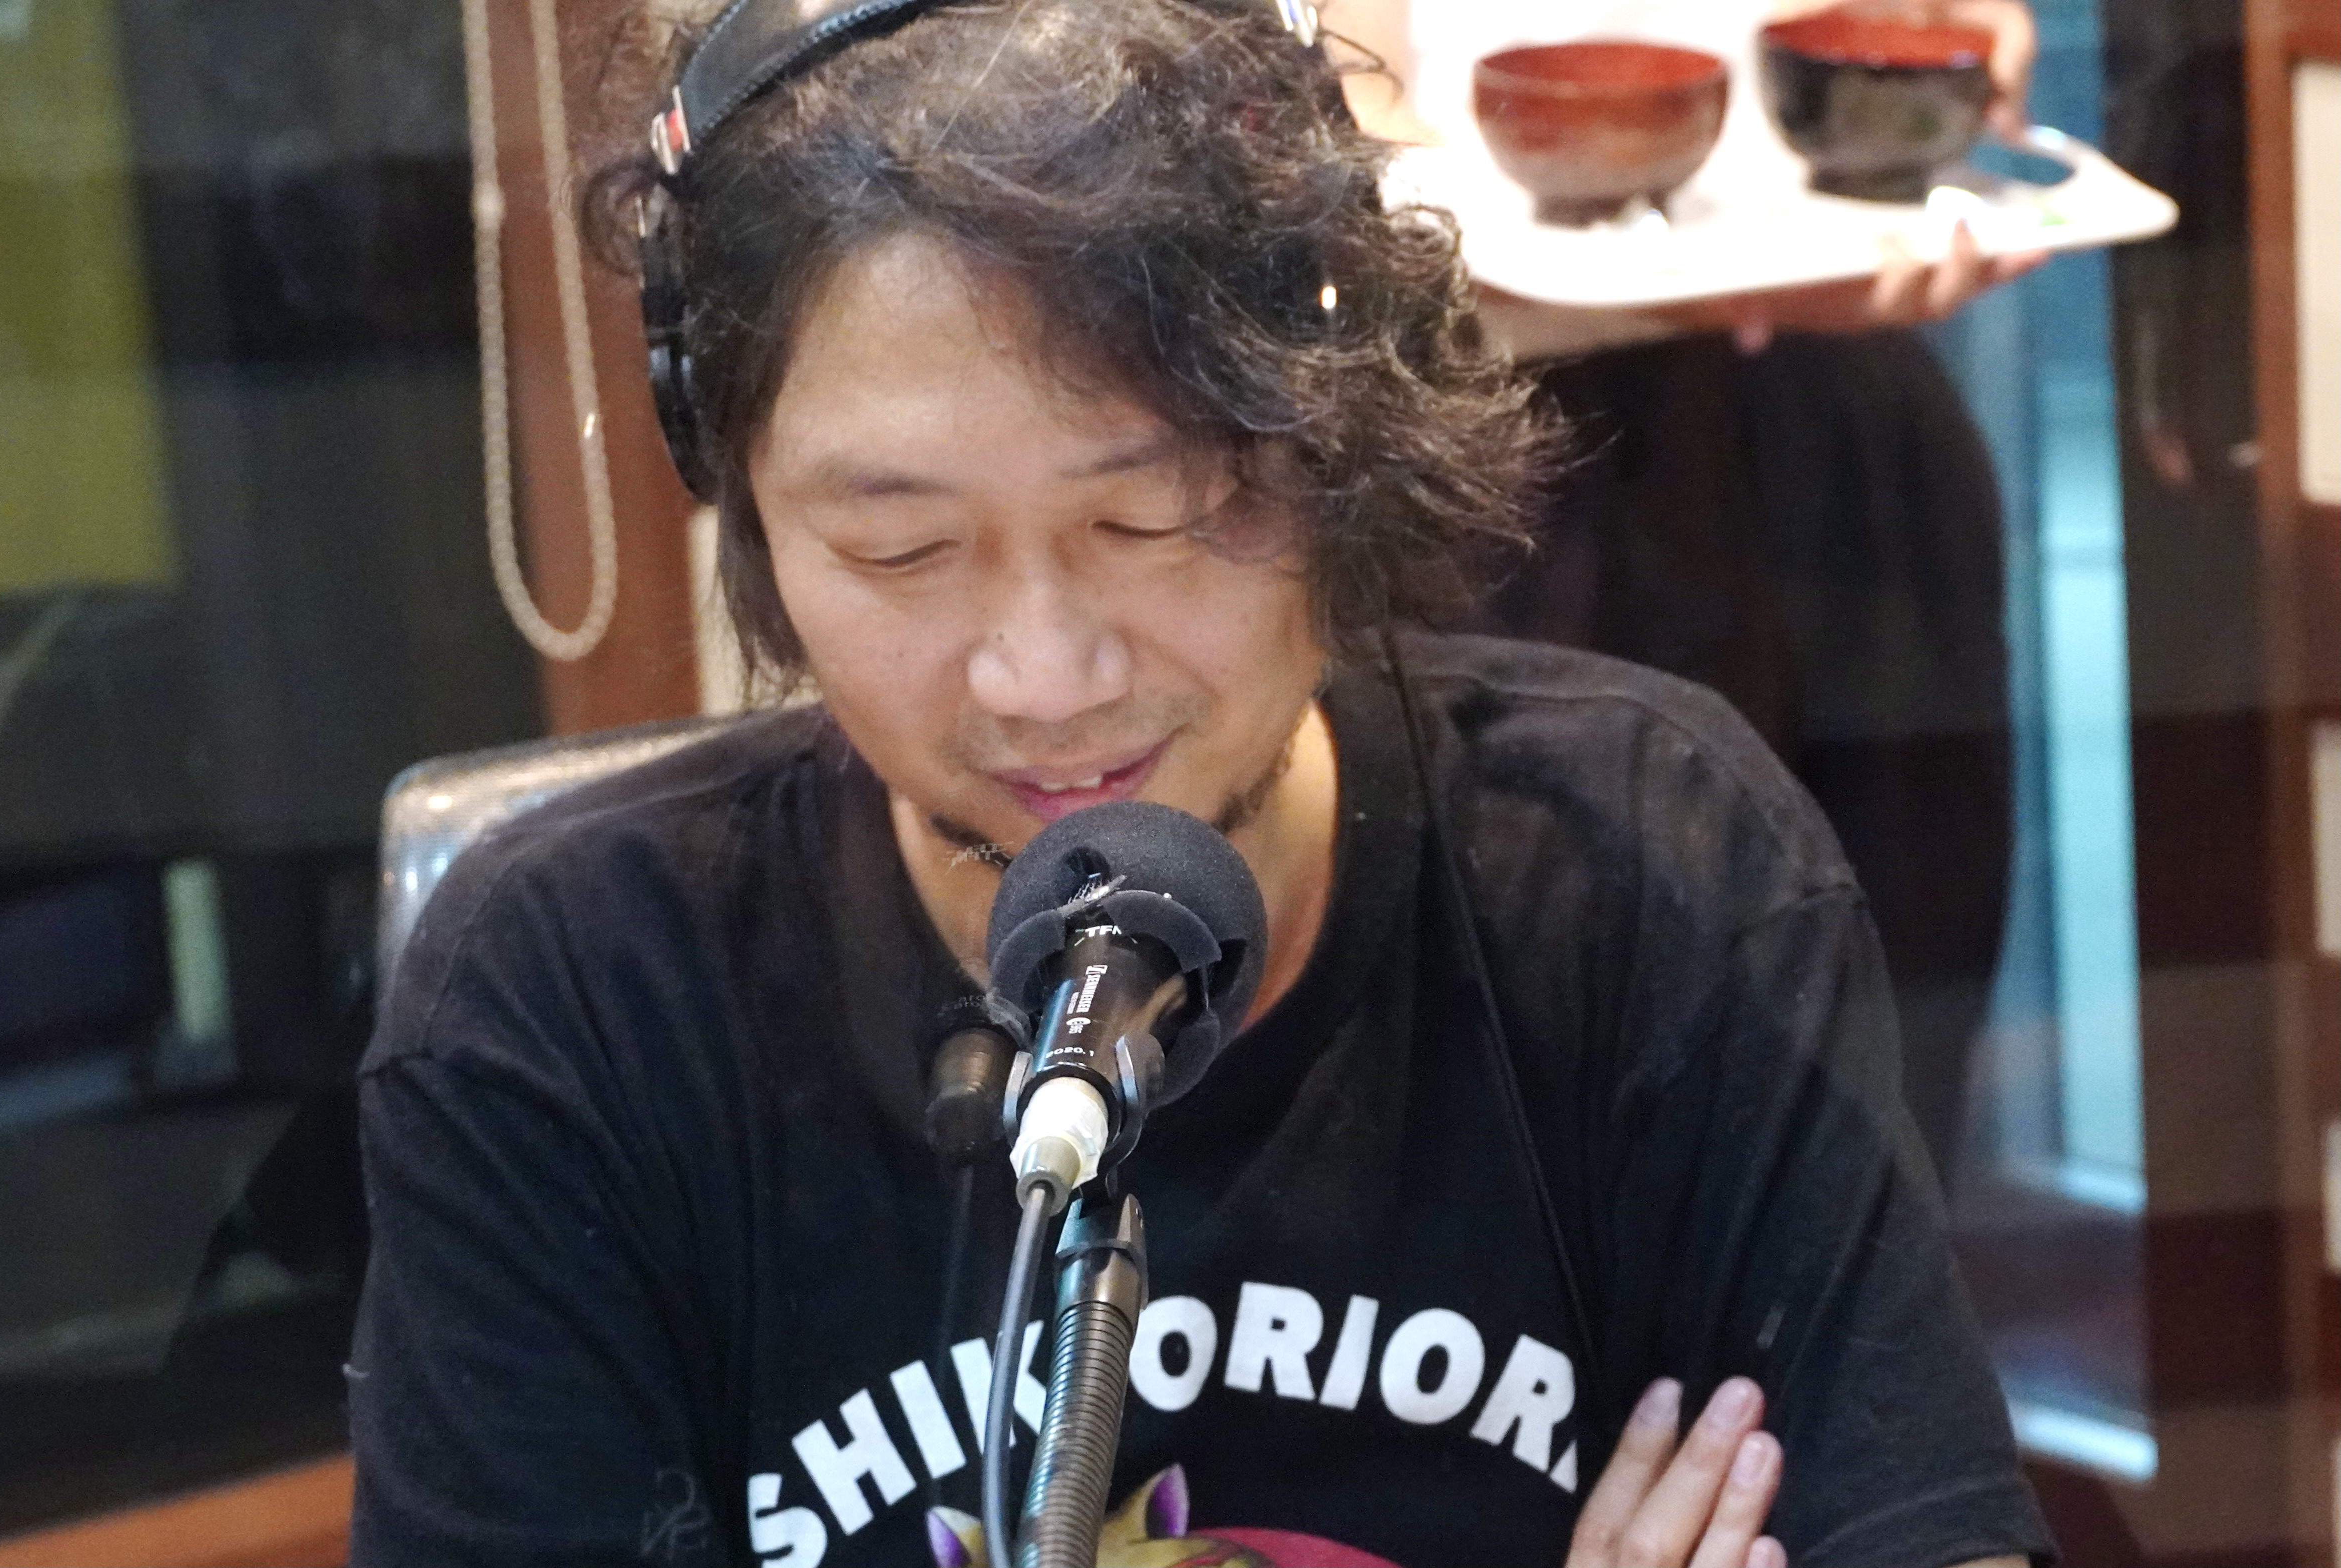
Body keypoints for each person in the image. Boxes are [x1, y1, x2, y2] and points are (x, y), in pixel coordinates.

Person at [346, 3, 2051, 1566]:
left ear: (1334, 439)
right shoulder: (573, 1002)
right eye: (899, 548)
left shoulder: (1645, 866)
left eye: (1150, 516)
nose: (1044, 674)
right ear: (748, 512)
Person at [1329, 0, 2043, 1177]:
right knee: (1561, 1074)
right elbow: (1346, 122)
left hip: (1852, 430)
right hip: (1519, 464)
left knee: (1891, 1054)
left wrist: (1964, 39)